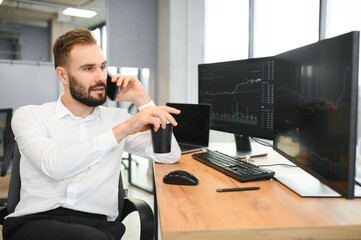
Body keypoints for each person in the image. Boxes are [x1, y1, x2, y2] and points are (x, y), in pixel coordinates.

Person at [2, 29, 181, 240]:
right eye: (88, 68)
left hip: (100, 227)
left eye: (103, 67)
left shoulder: (117, 118)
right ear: (62, 75)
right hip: (35, 224)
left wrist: (143, 100)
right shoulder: (30, 115)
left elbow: (170, 155)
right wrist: (123, 130)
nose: (100, 77)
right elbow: (54, 166)